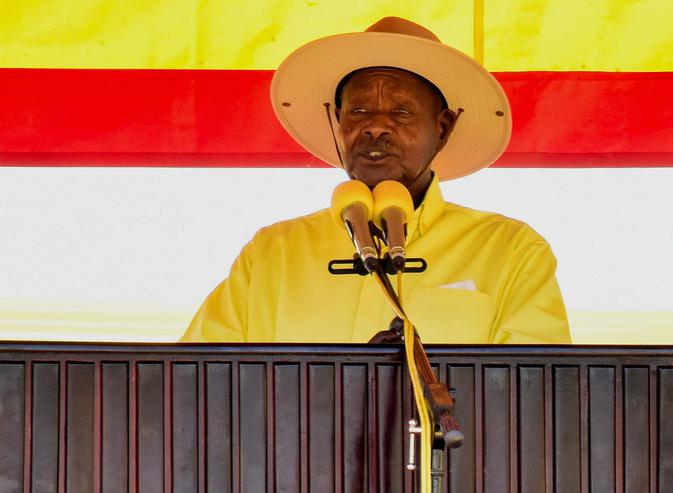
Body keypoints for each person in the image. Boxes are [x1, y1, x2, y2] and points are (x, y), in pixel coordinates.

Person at [181, 17, 570, 344]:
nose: (376, 127)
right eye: (359, 110)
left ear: (442, 128)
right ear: (337, 122)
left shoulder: (511, 251)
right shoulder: (272, 253)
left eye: (401, 112)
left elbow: (535, 392)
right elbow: (195, 383)